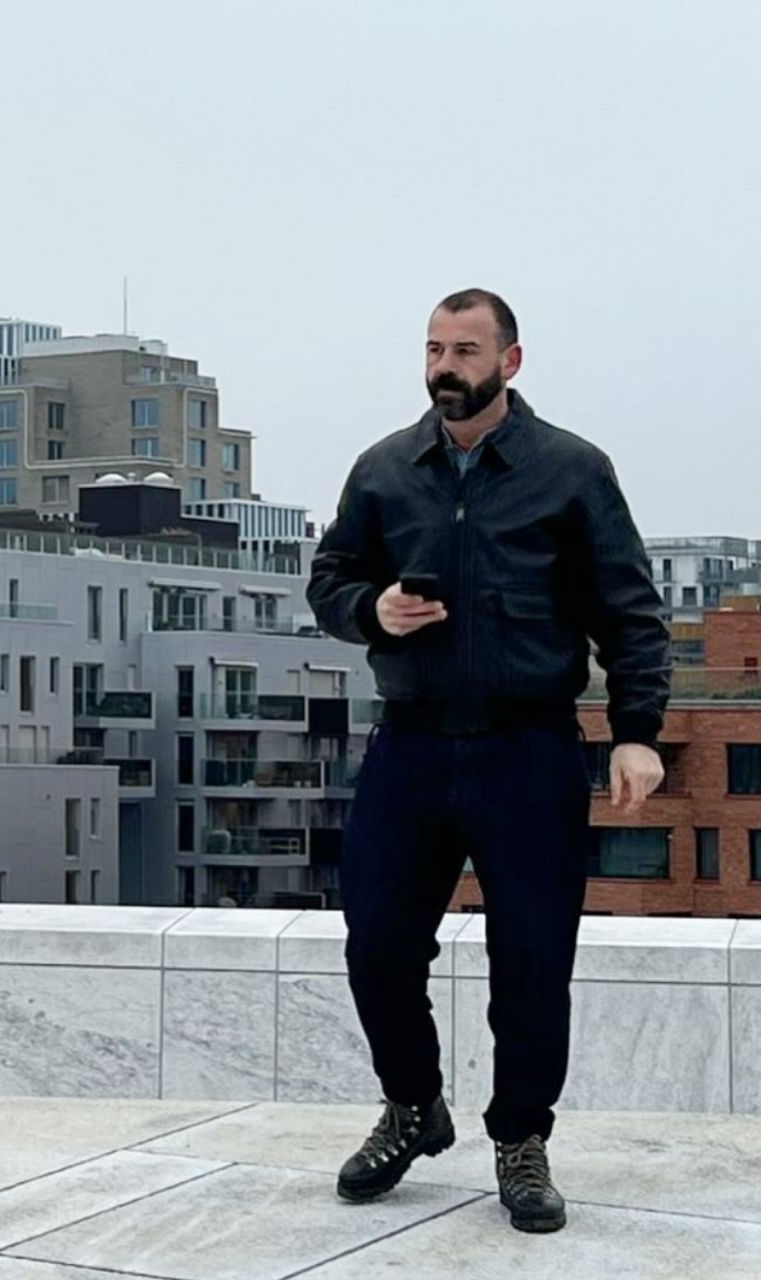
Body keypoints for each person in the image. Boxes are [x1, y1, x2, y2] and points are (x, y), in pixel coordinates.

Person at [307, 288, 671, 1234]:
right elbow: (329, 580)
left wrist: (636, 730)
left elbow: (629, 612)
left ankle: (519, 1139)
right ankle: (412, 1106)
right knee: (377, 945)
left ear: (509, 361)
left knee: (532, 960)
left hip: (528, 748)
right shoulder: (384, 470)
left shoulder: (572, 470)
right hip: (411, 743)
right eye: (434, 348)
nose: (444, 366)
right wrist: (371, 610)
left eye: (465, 349)